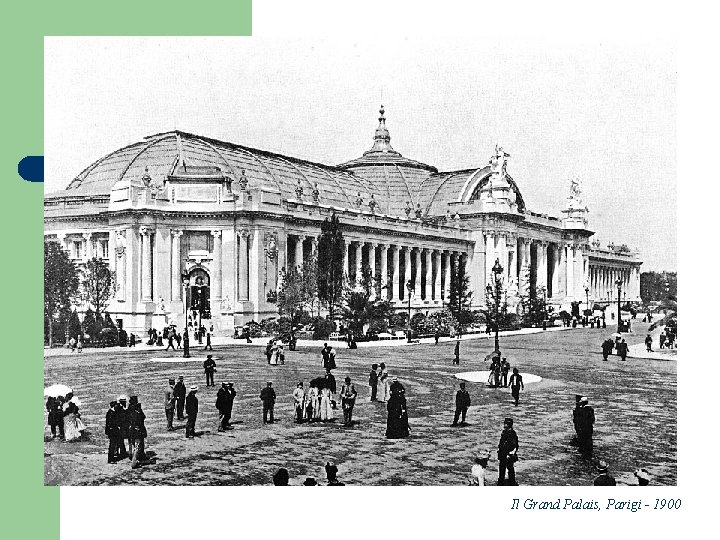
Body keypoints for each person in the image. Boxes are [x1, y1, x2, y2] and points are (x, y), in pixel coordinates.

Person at [497, 418, 519, 485]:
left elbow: (515, 446)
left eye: (506, 425)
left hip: (509, 455)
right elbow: (501, 443)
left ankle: (512, 482)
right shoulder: (504, 432)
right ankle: (500, 482)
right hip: (502, 454)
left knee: (510, 469)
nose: (505, 427)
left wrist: (511, 453)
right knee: (502, 469)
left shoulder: (512, 434)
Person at [128, 398, 149, 469]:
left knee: (137, 446)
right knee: (137, 447)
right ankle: (134, 462)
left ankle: (139, 457)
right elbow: (142, 418)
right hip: (137, 432)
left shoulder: (131, 412)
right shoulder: (136, 414)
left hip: (133, 432)